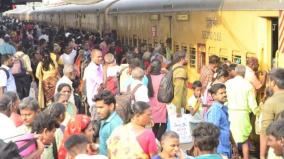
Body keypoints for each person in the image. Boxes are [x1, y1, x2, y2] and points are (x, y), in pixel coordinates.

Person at [226, 65, 258, 159]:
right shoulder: (248, 85)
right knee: (244, 141)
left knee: (232, 139)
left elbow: (225, 99)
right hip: (243, 115)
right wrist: (258, 113)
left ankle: (233, 156)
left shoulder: (228, 83)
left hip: (230, 113)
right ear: (244, 73)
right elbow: (252, 103)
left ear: (235, 72)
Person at [260, 68, 284, 159]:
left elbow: (265, 131)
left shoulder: (270, 102)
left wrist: (262, 155)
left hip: (278, 147)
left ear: (273, 82)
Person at [206, 83, 234, 158]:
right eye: (221, 93)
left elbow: (226, 129)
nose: (224, 95)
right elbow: (212, 133)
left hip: (225, 148)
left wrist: (233, 145)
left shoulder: (222, 108)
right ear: (213, 96)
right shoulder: (215, 110)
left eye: (225, 92)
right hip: (219, 150)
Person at [93, 90, 123, 155]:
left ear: (111, 106)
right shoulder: (106, 119)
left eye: (101, 107)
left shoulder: (115, 125)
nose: (98, 111)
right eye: (97, 107)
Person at [148, 60, 167, 140]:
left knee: (154, 124)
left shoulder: (147, 77)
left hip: (151, 104)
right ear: (160, 68)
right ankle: (158, 139)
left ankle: (154, 139)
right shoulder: (163, 77)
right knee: (164, 124)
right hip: (162, 103)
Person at [83, 49, 103, 118]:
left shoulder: (99, 66)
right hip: (94, 102)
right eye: (98, 57)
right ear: (92, 57)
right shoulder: (91, 69)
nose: (100, 58)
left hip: (100, 99)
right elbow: (102, 83)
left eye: (101, 56)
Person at [171, 51, 188, 117]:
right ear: (181, 59)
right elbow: (178, 91)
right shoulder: (180, 71)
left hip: (173, 102)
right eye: (186, 57)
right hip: (177, 105)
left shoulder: (174, 67)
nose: (187, 59)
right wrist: (178, 111)